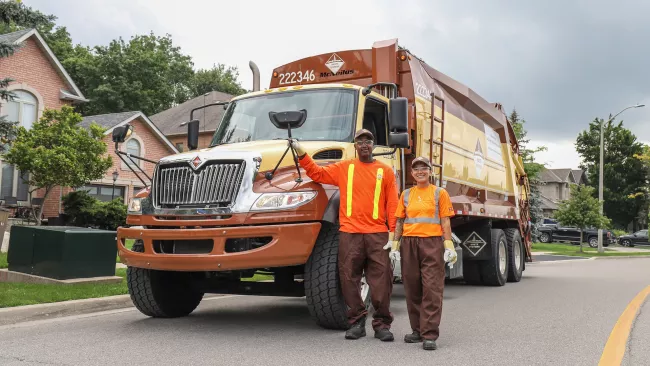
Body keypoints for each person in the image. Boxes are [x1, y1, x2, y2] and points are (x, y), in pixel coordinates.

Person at [289, 129, 399, 342]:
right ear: (355, 146)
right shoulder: (345, 168)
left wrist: (393, 236)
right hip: (350, 233)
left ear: (373, 145)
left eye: (368, 141)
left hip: (377, 234)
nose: (364, 144)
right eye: (360, 141)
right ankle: (357, 322)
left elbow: (392, 204)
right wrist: (301, 154)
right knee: (349, 279)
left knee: (382, 282)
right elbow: (317, 174)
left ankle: (382, 324)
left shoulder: (385, 172)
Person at [392, 156, 456, 350]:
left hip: (432, 244)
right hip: (409, 244)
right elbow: (400, 221)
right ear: (412, 173)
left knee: (431, 288)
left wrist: (448, 245)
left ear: (430, 172)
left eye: (424, 168)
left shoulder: (439, 193)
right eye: (416, 169)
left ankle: (429, 334)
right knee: (412, 287)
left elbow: (445, 221)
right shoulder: (405, 194)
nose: (420, 171)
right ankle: (417, 331)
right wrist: (395, 245)